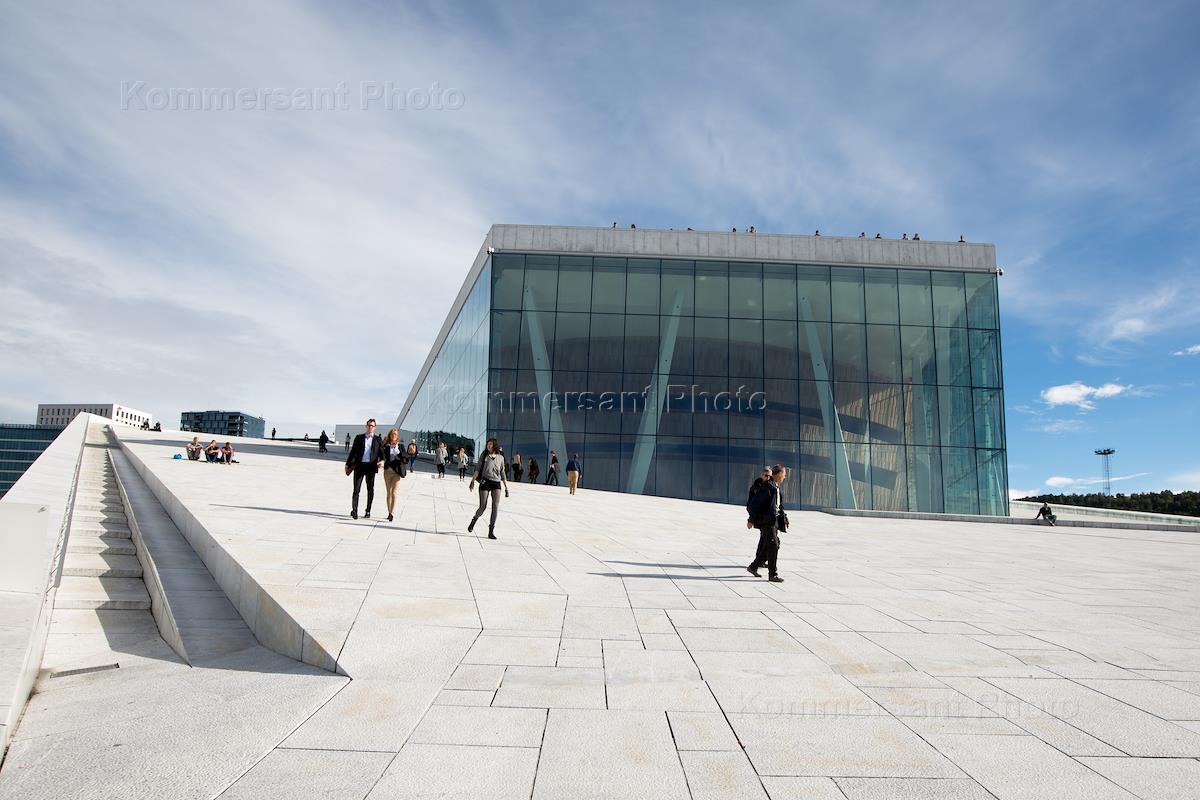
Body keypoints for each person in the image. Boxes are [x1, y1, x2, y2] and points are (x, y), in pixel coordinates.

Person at [746, 465, 788, 583]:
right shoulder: (767, 487)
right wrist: (751, 520)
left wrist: (785, 518)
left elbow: (778, 506)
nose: (784, 477)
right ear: (779, 474)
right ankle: (772, 574)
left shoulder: (776, 487)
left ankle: (753, 566)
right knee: (773, 545)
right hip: (767, 522)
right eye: (784, 475)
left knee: (772, 545)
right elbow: (754, 504)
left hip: (774, 522)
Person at [468, 438, 509, 540]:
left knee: (495, 507)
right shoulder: (484, 455)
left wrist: (506, 487)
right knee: (482, 507)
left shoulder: (501, 457)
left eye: (490, 444)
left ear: (494, 445)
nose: (488, 446)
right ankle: (474, 519)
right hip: (485, 482)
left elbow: (502, 472)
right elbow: (478, 469)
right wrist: (472, 480)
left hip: (496, 483)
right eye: (487, 444)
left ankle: (491, 531)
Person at [345, 419, 384, 519]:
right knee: (356, 489)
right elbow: (353, 451)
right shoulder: (359, 438)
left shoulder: (378, 439)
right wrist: (347, 464)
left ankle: (368, 511)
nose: (370, 427)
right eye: (369, 425)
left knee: (370, 489)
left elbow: (382, 454)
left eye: (372, 426)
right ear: (366, 426)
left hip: (371, 467)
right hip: (359, 466)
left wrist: (382, 461)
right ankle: (354, 510)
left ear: (375, 428)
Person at [382, 428, 406, 522]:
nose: (393, 435)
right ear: (389, 435)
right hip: (387, 472)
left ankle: (392, 513)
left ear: (397, 436)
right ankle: (389, 512)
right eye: (392, 434)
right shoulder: (386, 446)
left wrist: (399, 457)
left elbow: (405, 459)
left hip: (396, 472)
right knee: (389, 493)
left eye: (395, 434)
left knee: (394, 493)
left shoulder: (400, 446)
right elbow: (383, 456)